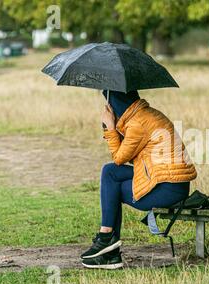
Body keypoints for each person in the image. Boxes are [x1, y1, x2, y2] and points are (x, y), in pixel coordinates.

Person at [81, 90, 197, 269]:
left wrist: (110, 128)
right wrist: (114, 128)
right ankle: (109, 248)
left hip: (168, 189)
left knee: (114, 189)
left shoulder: (138, 124)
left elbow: (119, 157)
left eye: (111, 103)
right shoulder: (144, 114)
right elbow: (123, 159)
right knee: (110, 172)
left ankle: (107, 244)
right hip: (167, 179)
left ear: (119, 103)